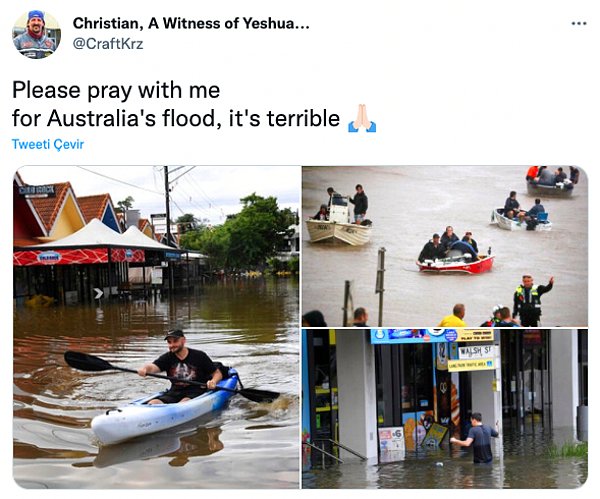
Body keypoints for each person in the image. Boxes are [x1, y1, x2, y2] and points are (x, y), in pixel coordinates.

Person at [137, 329, 223, 404]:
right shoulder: (167, 357)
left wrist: (213, 381)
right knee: (153, 403)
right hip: (174, 392)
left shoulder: (199, 356)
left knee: (184, 403)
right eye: (169, 342)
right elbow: (153, 367)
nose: (171, 345)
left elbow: (217, 373)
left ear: (183, 340)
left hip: (195, 391)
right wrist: (145, 369)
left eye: (175, 341)